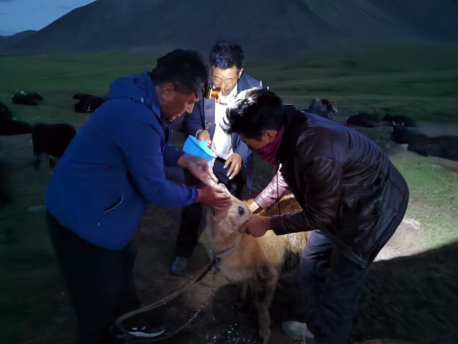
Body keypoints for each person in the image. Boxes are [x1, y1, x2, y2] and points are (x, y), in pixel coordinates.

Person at [44, 49, 231, 344]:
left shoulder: (145, 101)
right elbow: (155, 188)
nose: (187, 111)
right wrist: (201, 196)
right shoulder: (136, 115)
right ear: (169, 90)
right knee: (95, 300)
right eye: (189, 102)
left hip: (101, 211)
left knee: (122, 261)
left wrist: (184, 158)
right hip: (82, 219)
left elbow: (147, 151)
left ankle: (128, 322)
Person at [225, 88, 409, 344]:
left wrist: (267, 223)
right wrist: (257, 206)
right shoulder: (288, 129)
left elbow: (320, 215)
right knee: (312, 263)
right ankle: (315, 329)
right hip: (341, 200)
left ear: (267, 135)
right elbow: (286, 172)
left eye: (247, 141)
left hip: (371, 211)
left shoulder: (316, 150)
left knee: (339, 290)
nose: (247, 146)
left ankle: (329, 336)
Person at [170, 41, 262, 275]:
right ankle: (184, 252)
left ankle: (226, 255)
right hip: (203, 158)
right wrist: (198, 131)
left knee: (230, 212)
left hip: (233, 164)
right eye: (217, 79)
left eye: (229, 80)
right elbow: (192, 118)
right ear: (211, 69)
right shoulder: (203, 86)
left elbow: (256, 131)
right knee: (193, 204)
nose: (221, 87)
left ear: (239, 72)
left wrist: (240, 154)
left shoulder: (254, 91)